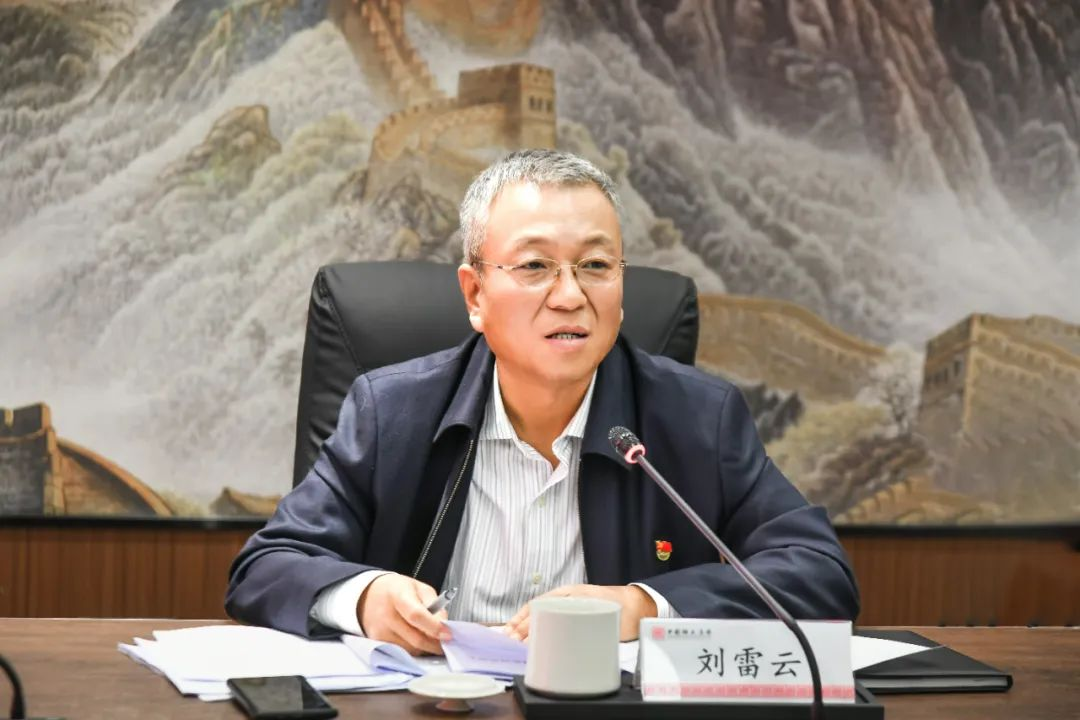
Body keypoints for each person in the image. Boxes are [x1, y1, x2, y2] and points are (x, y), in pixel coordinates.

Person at [225, 149, 859, 655]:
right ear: (475, 295)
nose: (570, 296)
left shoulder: (697, 418)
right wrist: (365, 597)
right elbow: (267, 565)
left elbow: (819, 573)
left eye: (596, 266)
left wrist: (640, 606)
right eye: (535, 266)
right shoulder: (391, 412)